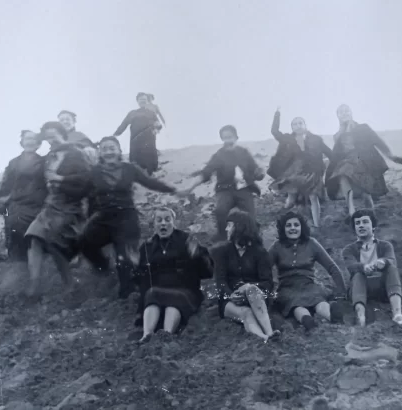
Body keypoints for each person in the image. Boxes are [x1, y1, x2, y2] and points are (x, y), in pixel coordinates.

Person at [79, 136, 184, 299]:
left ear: (119, 151)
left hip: (126, 218)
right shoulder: (94, 172)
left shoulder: (129, 168)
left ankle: (129, 292)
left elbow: (150, 182)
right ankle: (104, 268)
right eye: (105, 149)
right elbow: (82, 193)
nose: (108, 152)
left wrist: (174, 190)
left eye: (112, 148)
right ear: (100, 153)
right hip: (103, 218)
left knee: (125, 256)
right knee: (85, 243)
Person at [25, 122, 92, 293]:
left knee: (53, 243)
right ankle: (34, 285)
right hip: (50, 205)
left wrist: (60, 180)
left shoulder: (76, 153)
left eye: (53, 136)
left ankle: (69, 283)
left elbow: (86, 180)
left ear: (62, 134)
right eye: (47, 138)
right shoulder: (49, 156)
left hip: (71, 206)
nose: (50, 140)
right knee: (34, 238)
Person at [134, 207, 213, 343]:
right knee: (152, 293)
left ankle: (166, 335)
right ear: (154, 224)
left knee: (174, 300)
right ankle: (146, 335)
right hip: (157, 291)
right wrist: (135, 265)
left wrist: (198, 256)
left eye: (167, 220)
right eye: (159, 220)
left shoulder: (186, 240)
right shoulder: (147, 247)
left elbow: (208, 272)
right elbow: (139, 278)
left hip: (184, 289)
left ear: (173, 222)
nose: (163, 223)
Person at [179, 125, 265, 241]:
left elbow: (256, 171)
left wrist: (259, 173)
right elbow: (205, 173)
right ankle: (222, 236)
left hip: (244, 189)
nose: (228, 141)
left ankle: (252, 236)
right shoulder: (219, 155)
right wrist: (189, 188)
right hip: (225, 190)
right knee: (220, 211)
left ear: (236, 137)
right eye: (225, 138)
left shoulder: (244, 152)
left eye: (230, 137)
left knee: (250, 216)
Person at [269, 211, 345, 331]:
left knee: (319, 301)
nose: (293, 228)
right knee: (295, 305)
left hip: (308, 284)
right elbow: (264, 269)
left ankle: (334, 317)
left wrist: (341, 292)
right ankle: (307, 321)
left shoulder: (311, 243)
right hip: (287, 287)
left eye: (296, 225)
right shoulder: (277, 246)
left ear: (301, 227)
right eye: (288, 225)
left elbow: (332, 267)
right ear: (283, 229)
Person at [212, 210, 280, 342]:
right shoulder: (223, 251)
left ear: (239, 227)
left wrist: (249, 287)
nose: (226, 229)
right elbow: (220, 281)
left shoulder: (260, 253)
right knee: (245, 313)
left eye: (229, 225)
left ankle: (269, 332)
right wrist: (230, 295)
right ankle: (265, 337)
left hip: (256, 299)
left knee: (251, 290)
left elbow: (267, 283)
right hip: (230, 300)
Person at [325, 104, 394, 219]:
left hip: (363, 161)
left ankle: (371, 212)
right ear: (338, 116)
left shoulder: (363, 128)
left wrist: (390, 154)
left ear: (351, 113)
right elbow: (336, 154)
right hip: (347, 162)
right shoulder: (337, 135)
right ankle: (351, 210)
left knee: (365, 193)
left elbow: (377, 141)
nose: (344, 113)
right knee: (342, 174)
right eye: (341, 112)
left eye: (347, 111)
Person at [342, 209, 402, 326]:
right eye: (357, 223)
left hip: (382, 288)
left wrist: (382, 262)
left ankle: (398, 314)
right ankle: (360, 316)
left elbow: (391, 259)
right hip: (360, 289)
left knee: (391, 268)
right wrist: (364, 267)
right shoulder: (348, 249)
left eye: (365, 222)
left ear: (373, 225)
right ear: (354, 228)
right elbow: (351, 266)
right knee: (357, 274)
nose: (361, 226)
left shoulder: (385, 245)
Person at [268, 108, 333, 227]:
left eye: (300, 123)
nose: (298, 126)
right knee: (291, 197)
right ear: (292, 127)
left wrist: (333, 162)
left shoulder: (316, 139)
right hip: (294, 172)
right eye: (294, 124)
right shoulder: (287, 138)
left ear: (305, 125)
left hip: (313, 172)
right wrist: (277, 114)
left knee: (313, 197)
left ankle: (317, 225)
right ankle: (285, 212)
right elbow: (274, 131)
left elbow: (329, 152)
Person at [0, 131, 48, 263]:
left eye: (34, 139)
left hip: (37, 206)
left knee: (36, 238)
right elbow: (6, 185)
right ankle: (15, 270)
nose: (30, 141)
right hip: (17, 206)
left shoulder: (44, 162)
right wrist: (2, 201)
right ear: (22, 142)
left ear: (38, 144)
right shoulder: (13, 162)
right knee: (15, 235)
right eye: (27, 139)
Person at [114, 92, 162, 175]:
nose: (142, 101)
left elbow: (158, 124)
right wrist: (115, 135)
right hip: (135, 140)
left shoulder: (151, 113)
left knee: (150, 159)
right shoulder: (132, 113)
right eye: (140, 99)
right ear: (137, 101)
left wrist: (157, 128)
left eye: (144, 99)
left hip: (149, 139)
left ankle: (151, 175)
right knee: (136, 160)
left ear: (147, 101)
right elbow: (124, 124)